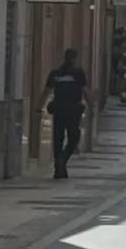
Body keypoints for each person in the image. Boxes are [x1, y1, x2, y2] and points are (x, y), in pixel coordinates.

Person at [40, 48, 88, 179]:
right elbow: (85, 91)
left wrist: (39, 107)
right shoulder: (78, 73)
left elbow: (46, 91)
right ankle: (63, 160)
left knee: (58, 138)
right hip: (73, 110)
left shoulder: (56, 73)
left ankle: (59, 164)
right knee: (74, 138)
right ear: (75, 58)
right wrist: (91, 106)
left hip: (59, 110)